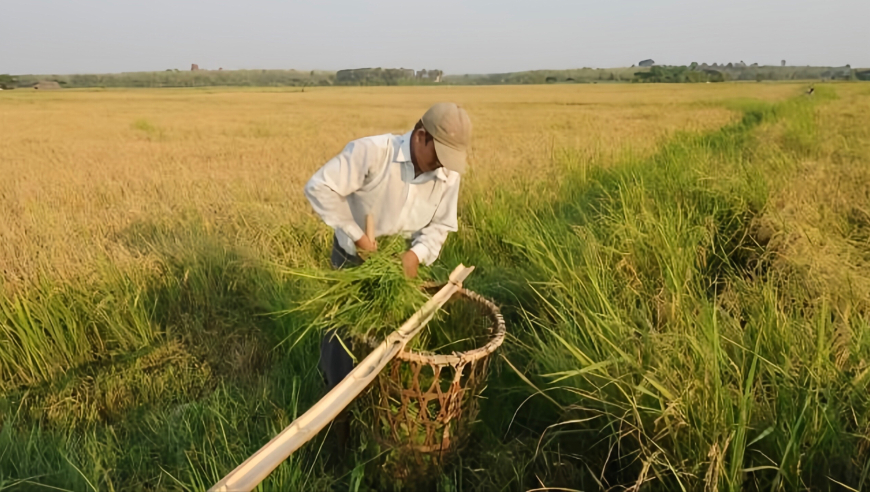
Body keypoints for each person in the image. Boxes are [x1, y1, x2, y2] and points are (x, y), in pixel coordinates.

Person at [304, 101, 472, 410]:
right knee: (342, 330)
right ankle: (334, 403)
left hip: (402, 265)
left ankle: (382, 398)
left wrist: (415, 255)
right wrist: (356, 236)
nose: (441, 165)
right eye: (438, 155)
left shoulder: (448, 175)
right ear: (421, 136)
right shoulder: (372, 153)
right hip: (354, 260)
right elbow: (320, 188)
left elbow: (441, 225)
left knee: (393, 332)